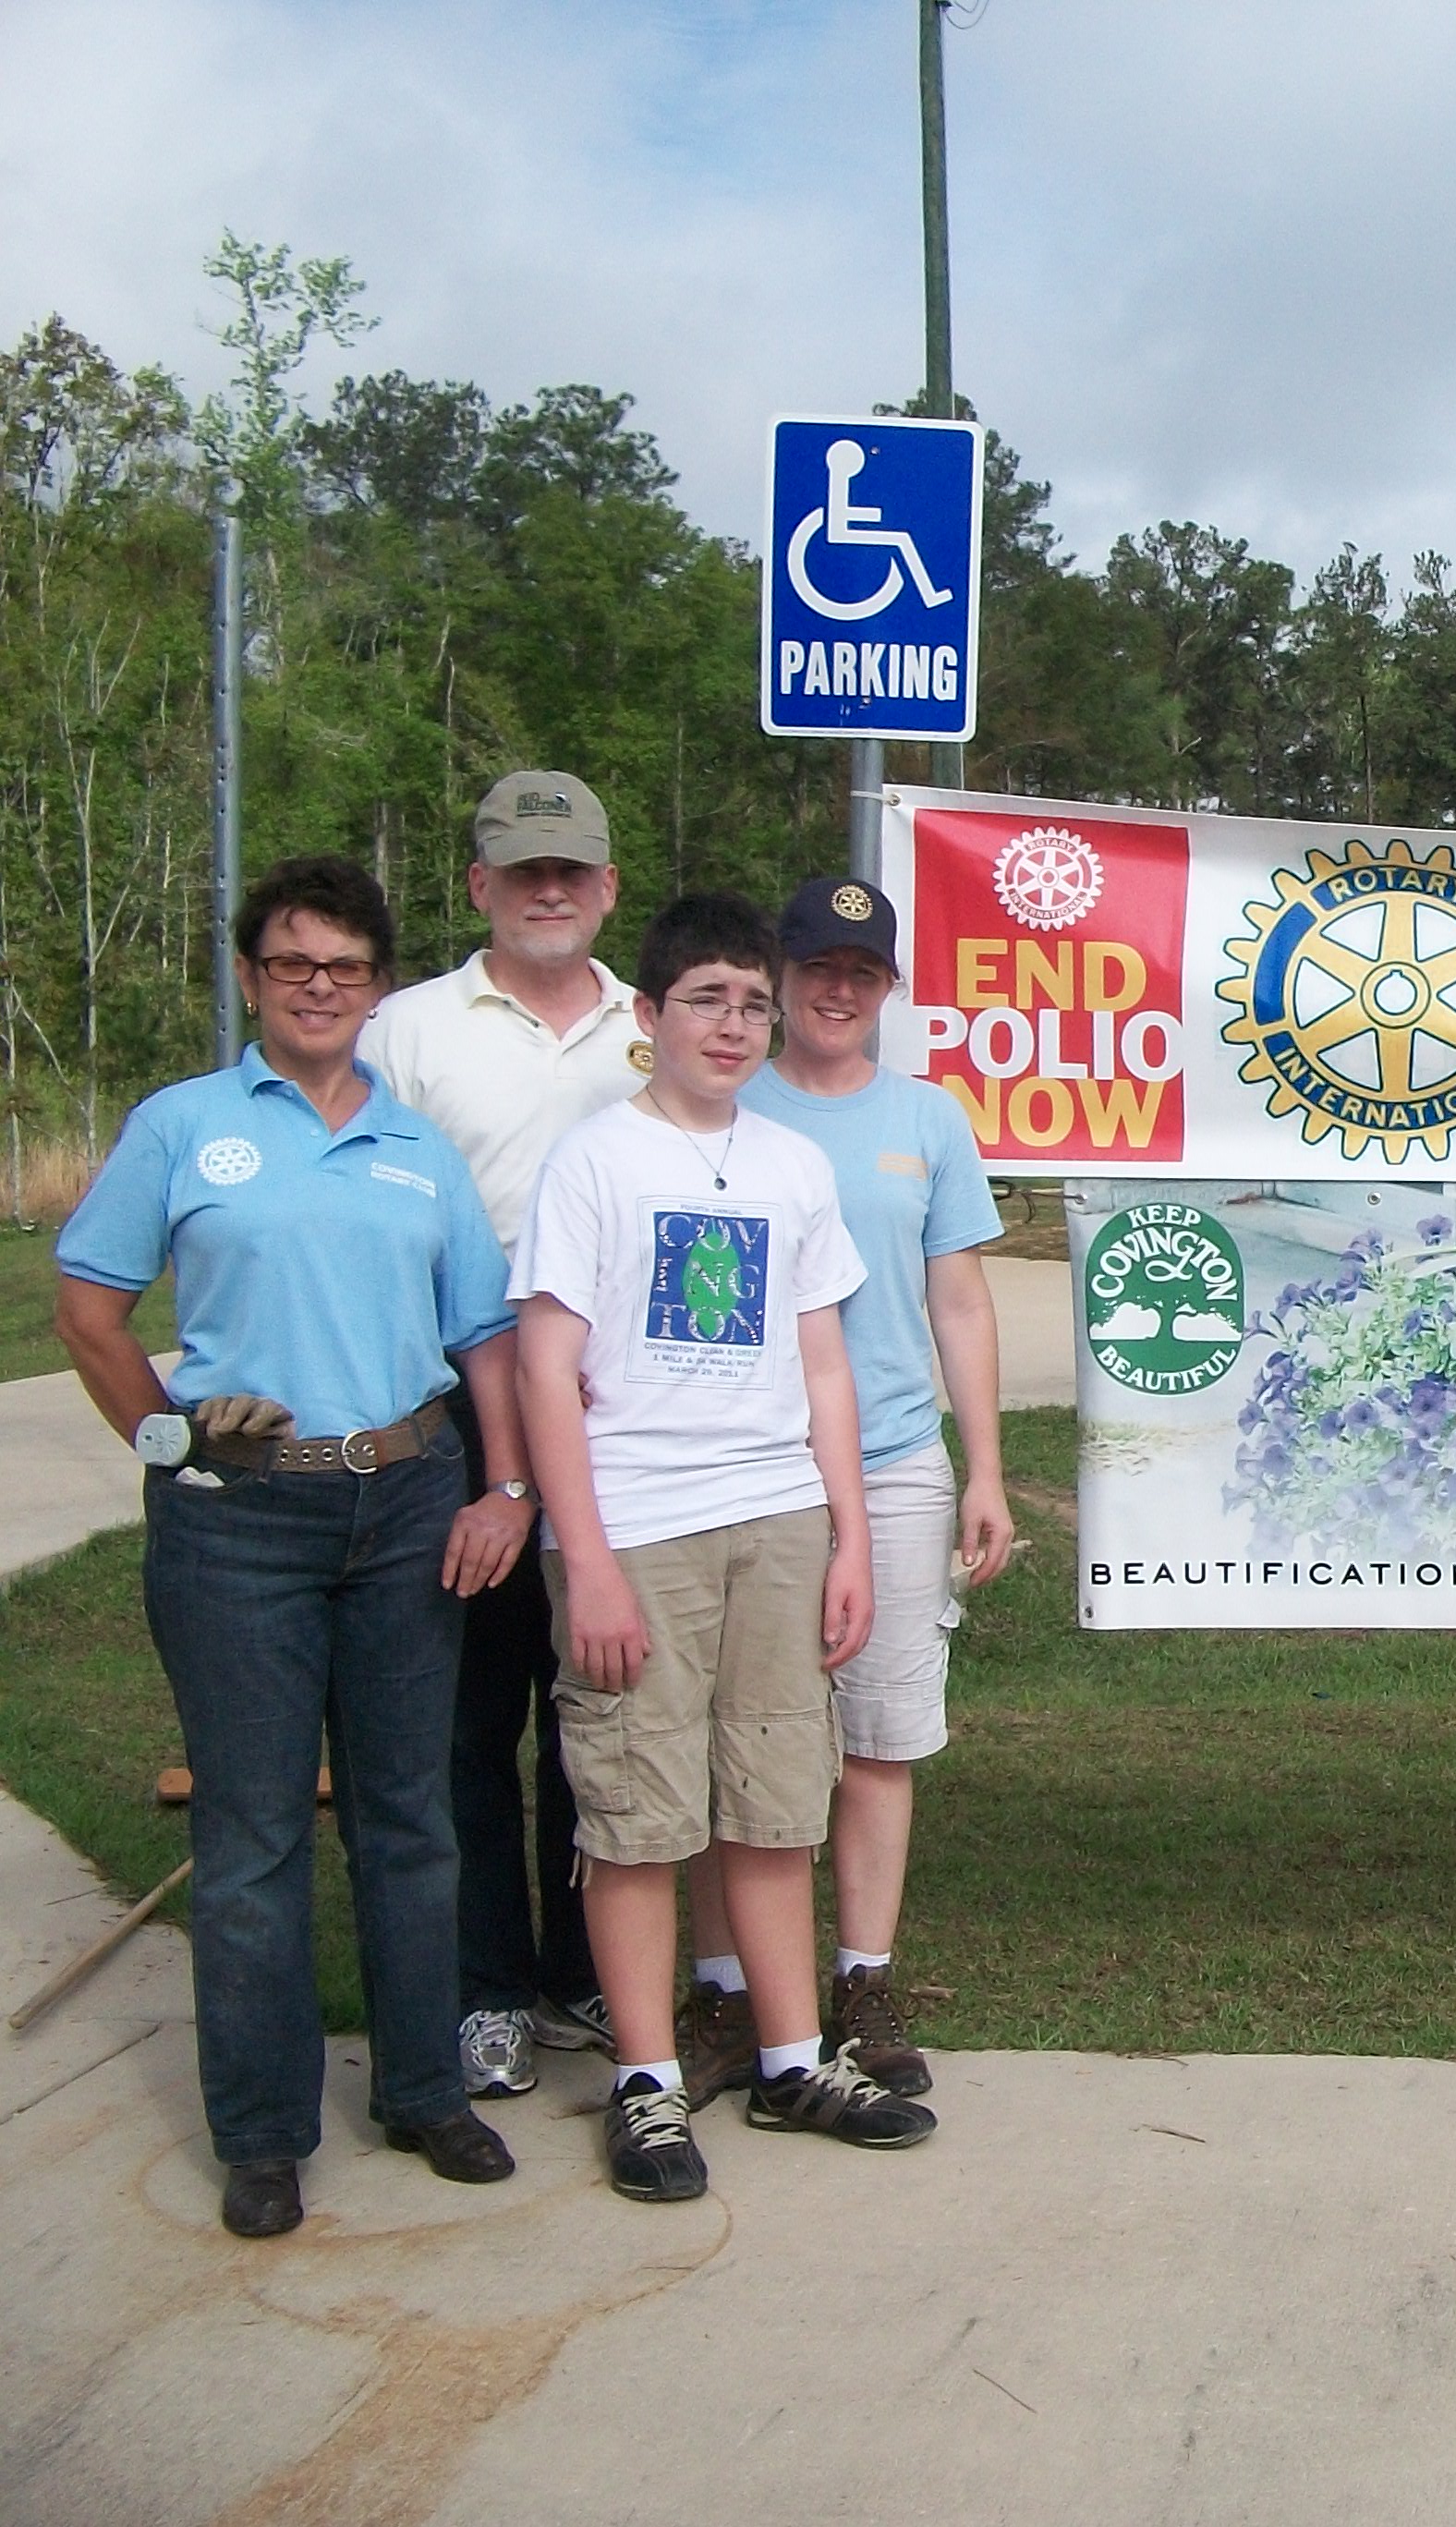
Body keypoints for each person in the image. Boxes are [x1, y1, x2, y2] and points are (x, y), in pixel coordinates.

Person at [55, 856, 534, 2238]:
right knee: (255, 1831)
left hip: (405, 1502)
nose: (319, 986)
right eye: (291, 963)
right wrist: (172, 1441)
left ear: (376, 988)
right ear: (252, 977)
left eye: (345, 966)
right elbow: (91, 1311)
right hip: (237, 1516)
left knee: (410, 1814)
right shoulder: (182, 1128)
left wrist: (502, 1488)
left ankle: (424, 2091)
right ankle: (263, 2132)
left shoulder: (415, 1147)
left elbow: (481, 1338)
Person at [513, 890, 934, 2201]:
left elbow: (824, 1366)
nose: (735, 1023)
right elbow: (544, 1368)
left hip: (781, 1522)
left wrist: (850, 1540)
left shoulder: (788, 1167)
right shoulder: (595, 1162)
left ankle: (793, 2054)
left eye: (752, 1001)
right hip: (640, 1527)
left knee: (771, 1798)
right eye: (707, 998)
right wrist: (583, 1557)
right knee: (638, 1815)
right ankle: (646, 2086)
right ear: (647, 1016)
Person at [669, 877, 1015, 2101]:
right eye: (817, 966)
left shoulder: (925, 1119)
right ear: (782, 972)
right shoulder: (720, 1105)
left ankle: (863, 1978)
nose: (837, 989)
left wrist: (985, 1468)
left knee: (879, 1736)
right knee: (737, 1741)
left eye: (862, 973)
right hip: (752, 1466)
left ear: (887, 990)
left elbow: (959, 1298)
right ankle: (724, 1990)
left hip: (896, 1460)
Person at [358, 769, 645, 2103]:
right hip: (463, 1427)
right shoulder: (407, 1031)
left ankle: (581, 1967)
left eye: (571, 871)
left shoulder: (657, 1027)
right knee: (473, 1724)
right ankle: (487, 1990)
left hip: (630, 1430)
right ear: (477, 884)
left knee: (595, 1712)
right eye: (523, 870)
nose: (549, 890)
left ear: (605, 888)